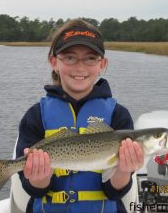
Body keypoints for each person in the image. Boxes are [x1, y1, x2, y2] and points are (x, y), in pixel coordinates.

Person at [16, 19, 144, 213]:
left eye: (90, 58)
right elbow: (32, 189)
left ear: (102, 64)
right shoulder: (36, 115)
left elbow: (115, 192)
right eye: (69, 57)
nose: (80, 67)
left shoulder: (119, 115)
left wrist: (124, 170)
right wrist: (39, 178)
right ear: (54, 62)